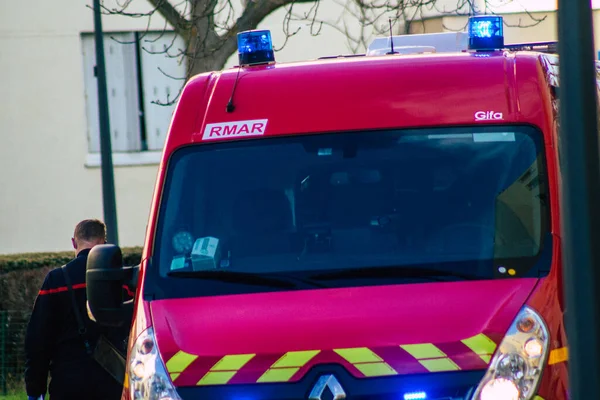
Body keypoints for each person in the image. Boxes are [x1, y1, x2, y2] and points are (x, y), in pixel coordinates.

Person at [25, 219, 130, 400]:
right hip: (113, 381)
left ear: (74, 242)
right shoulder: (119, 278)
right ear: (104, 242)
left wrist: (35, 389)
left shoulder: (55, 281)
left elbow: (38, 341)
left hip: (67, 382)